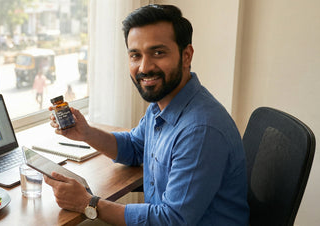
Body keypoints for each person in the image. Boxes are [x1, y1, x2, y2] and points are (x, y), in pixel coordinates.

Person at [44, 4, 249, 225]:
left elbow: (172, 221)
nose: (144, 67)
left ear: (186, 55)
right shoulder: (162, 103)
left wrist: (88, 203)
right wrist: (86, 133)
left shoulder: (200, 130)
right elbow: (134, 147)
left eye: (158, 53)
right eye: (135, 55)